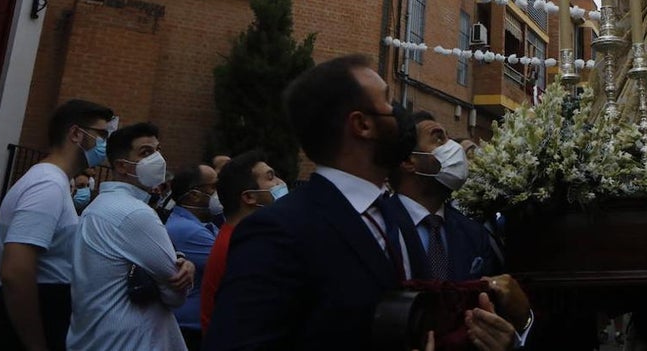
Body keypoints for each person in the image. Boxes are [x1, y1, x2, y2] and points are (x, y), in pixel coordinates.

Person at [205, 54, 519, 350]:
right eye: (387, 101)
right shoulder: (280, 231)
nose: (400, 114)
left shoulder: (396, 218)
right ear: (362, 125)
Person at [0, 98, 114, 351]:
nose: (105, 143)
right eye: (101, 135)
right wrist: (36, 345)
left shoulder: (54, 182)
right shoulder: (47, 185)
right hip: (18, 327)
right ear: (75, 133)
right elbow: (16, 270)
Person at [385, 112, 533, 341]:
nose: (452, 148)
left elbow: (499, 320)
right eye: (438, 139)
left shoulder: (474, 234)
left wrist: (520, 325)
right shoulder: (381, 227)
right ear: (408, 161)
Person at [66, 122, 194, 351]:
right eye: (146, 152)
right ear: (122, 166)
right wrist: (183, 271)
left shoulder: (99, 206)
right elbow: (176, 293)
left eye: (158, 150)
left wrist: (179, 261)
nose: (157, 159)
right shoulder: (135, 213)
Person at [200, 150, 285, 332]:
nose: (281, 184)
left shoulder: (242, 238)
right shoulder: (241, 248)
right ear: (249, 197)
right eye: (271, 179)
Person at [164, 165, 219, 350]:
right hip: (189, 330)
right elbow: (232, 264)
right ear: (194, 195)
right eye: (214, 187)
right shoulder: (188, 230)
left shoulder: (196, 225)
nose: (219, 192)